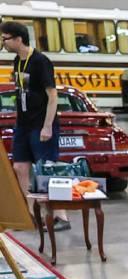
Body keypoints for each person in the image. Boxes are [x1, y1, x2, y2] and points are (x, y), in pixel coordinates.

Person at [2, 21, 69, 230]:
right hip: (23, 124)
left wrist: (47, 126)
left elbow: (53, 96)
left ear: (18, 39)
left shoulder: (40, 61)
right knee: (20, 167)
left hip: (41, 124)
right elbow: (22, 92)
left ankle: (60, 216)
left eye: (5, 39)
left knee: (47, 169)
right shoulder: (17, 61)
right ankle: (30, 214)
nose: (3, 43)